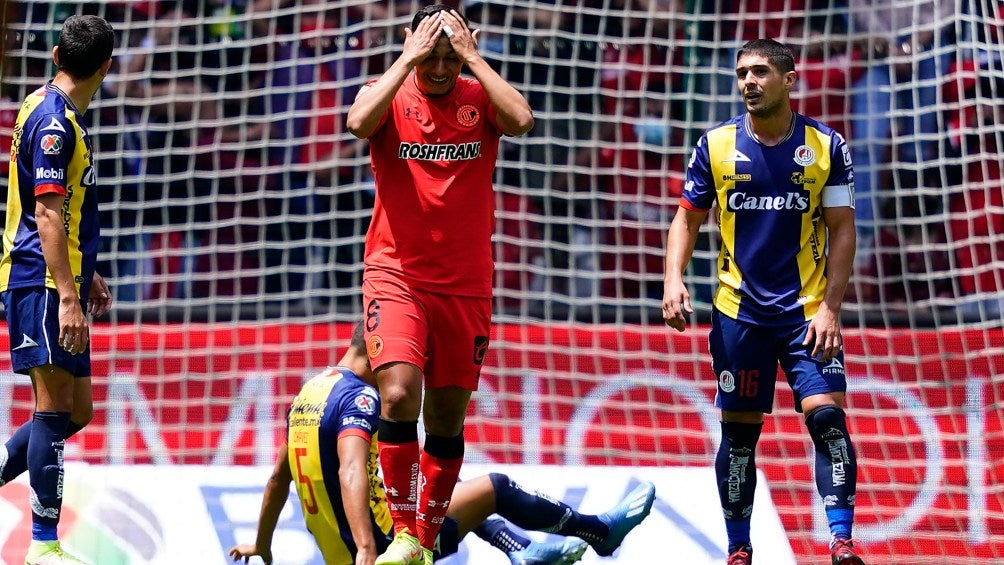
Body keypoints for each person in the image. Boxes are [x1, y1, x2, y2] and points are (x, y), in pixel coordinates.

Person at [661, 39, 863, 565]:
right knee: (741, 438)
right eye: (741, 74)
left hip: (807, 314)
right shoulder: (715, 146)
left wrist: (832, 308)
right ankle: (739, 549)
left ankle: (841, 543)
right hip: (739, 315)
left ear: (789, 79)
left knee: (827, 420)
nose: (748, 82)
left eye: (759, 72)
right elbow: (687, 218)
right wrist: (673, 279)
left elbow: (843, 230)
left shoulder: (826, 146)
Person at [345, 5, 534, 564]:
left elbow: (522, 121)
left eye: (452, 58)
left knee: (447, 418)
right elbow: (357, 124)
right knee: (399, 392)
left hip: (466, 283)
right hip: (396, 273)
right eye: (434, 55)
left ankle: (423, 540)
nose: (441, 69)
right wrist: (408, 58)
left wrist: (474, 56)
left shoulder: (480, 97)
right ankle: (405, 529)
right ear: (411, 44)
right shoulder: (387, 91)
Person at [227, 323, 656, 565]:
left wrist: (261, 542)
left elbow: (277, 478)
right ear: (377, 357)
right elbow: (350, 470)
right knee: (496, 487)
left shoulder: (308, 394)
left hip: (344, 554)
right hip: (385, 545)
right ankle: (598, 532)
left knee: (436, 486)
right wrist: (366, 548)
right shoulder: (360, 397)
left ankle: (522, 549)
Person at [0, 14, 115, 565]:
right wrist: (68, 293)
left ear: (55, 55)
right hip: (39, 279)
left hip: (59, 272)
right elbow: (45, 212)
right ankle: (43, 546)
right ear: (107, 68)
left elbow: (55, 205)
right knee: (52, 411)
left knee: (78, 410)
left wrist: (83, 268)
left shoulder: (41, 102)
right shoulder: (55, 124)